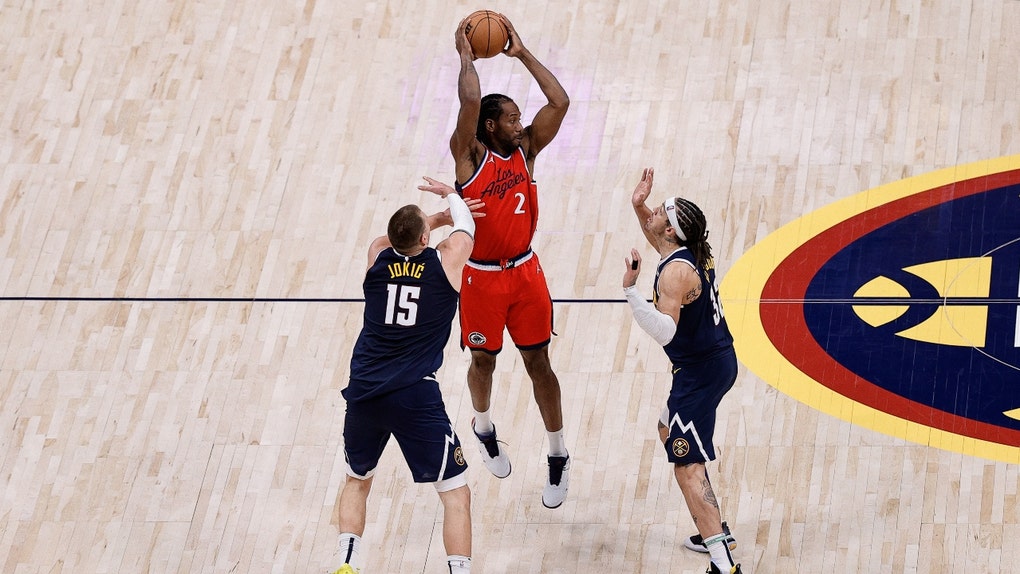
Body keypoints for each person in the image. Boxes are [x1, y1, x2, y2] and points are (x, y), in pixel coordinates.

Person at [439, 12, 572, 509]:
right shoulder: (468, 155)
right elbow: (470, 101)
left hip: (526, 274)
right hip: (481, 279)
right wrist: (466, 56)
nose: (522, 123)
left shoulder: (527, 150)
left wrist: (522, 53)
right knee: (482, 360)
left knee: (540, 363)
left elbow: (560, 101)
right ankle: (483, 424)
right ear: (490, 126)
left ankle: (558, 453)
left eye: (521, 117)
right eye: (513, 118)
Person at [331, 184, 481, 574]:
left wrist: (432, 220)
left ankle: (346, 565)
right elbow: (467, 228)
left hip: (364, 390)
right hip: (415, 394)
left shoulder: (378, 255)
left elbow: (393, 236)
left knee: (356, 480)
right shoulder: (444, 263)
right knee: (455, 493)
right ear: (426, 240)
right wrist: (452, 199)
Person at [621, 167, 743, 574]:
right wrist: (638, 205)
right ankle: (714, 527)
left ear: (673, 232)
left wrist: (630, 292)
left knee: (686, 465)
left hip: (701, 373)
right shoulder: (680, 253)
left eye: (661, 212)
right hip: (710, 363)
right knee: (666, 431)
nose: (655, 210)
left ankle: (723, 562)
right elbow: (653, 235)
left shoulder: (675, 273)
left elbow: (664, 330)